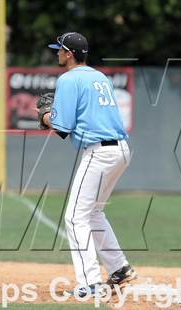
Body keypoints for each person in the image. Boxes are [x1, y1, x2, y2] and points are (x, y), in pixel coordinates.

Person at [38, 32, 137, 297]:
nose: (56, 53)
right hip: (120, 149)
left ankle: (90, 284)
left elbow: (61, 127)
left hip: (99, 152)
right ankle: (119, 269)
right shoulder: (98, 76)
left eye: (59, 50)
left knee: (74, 217)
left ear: (69, 53)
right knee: (92, 213)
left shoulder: (69, 78)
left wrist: (45, 115)